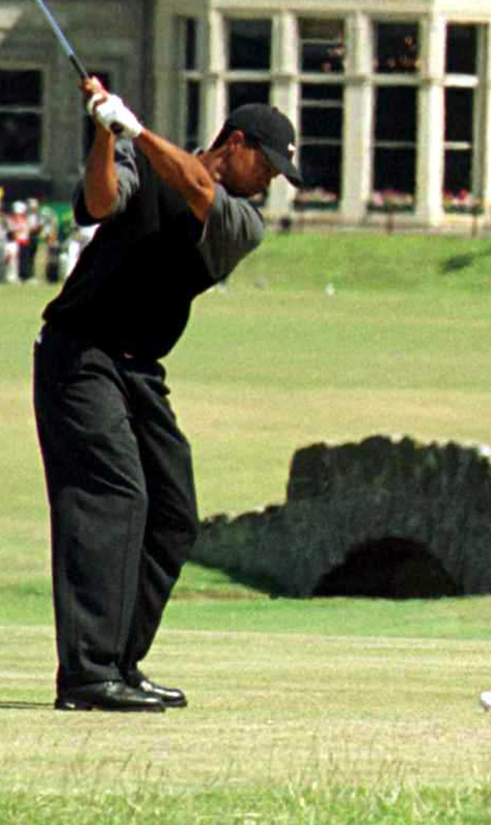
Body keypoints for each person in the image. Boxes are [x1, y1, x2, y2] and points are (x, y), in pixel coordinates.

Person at [32, 77, 301, 713]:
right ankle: (88, 673)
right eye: (267, 163)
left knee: (174, 514)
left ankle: (120, 662)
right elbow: (99, 203)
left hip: (140, 370)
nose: (270, 180)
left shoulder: (243, 222)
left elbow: (198, 188)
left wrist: (135, 128)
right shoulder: (138, 157)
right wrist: (107, 134)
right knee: (113, 496)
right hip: (79, 353)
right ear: (236, 142)